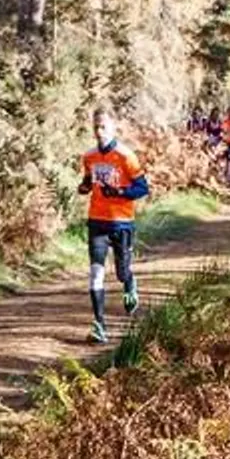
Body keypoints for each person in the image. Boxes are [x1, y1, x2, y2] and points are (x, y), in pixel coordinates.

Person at [78, 107, 149, 345]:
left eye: (103, 127)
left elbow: (142, 188)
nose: (99, 132)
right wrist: (85, 187)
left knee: (121, 272)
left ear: (113, 128)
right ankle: (99, 325)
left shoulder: (126, 156)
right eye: (95, 127)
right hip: (97, 221)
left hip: (122, 223)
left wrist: (119, 191)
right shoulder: (89, 156)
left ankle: (129, 283)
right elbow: (88, 180)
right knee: (96, 274)